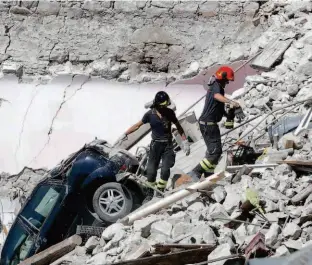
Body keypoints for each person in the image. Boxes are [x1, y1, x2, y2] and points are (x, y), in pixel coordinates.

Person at [121, 91, 190, 198]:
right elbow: (137, 125)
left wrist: (185, 141)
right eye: (162, 105)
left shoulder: (170, 113)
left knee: (165, 169)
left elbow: (179, 126)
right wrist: (126, 133)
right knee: (151, 171)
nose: (165, 107)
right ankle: (150, 192)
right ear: (157, 104)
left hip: (168, 145)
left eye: (166, 105)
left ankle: (160, 191)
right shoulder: (150, 114)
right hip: (155, 146)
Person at [190, 66, 241, 178]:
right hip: (208, 125)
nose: (227, 82)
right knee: (215, 153)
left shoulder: (218, 88)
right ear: (222, 77)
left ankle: (209, 174)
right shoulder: (216, 86)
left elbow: (218, 107)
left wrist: (229, 114)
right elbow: (217, 96)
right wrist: (232, 102)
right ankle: (196, 172)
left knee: (213, 152)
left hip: (209, 124)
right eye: (226, 80)